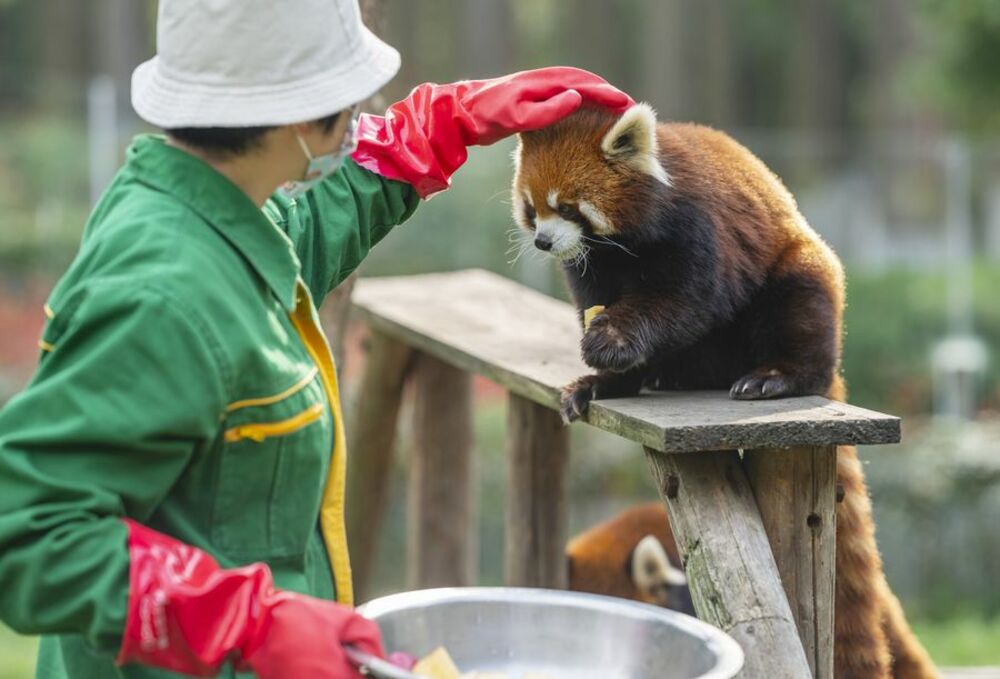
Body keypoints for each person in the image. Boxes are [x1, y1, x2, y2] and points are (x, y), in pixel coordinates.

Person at [0, 0, 633, 677]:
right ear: (302, 113)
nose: (361, 107)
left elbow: (305, 229)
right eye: (348, 92)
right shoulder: (163, 293)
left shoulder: (217, 214)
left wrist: (446, 124)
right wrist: (246, 622)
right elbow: (30, 532)